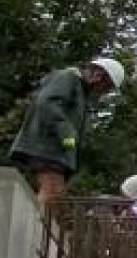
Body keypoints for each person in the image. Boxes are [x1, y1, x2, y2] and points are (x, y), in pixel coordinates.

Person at [7, 57, 126, 211]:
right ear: (99, 75)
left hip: (56, 154)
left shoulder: (81, 93)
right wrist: (66, 132)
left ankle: (37, 228)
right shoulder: (67, 78)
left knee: (56, 196)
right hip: (46, 149)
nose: (103, 91)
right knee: (52, 192)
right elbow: (47, 103)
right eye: (106, 86)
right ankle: (35, 231)